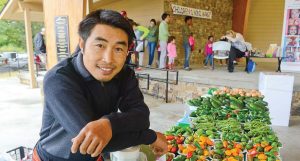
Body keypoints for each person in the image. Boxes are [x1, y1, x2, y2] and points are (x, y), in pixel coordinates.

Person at [33, 9, 167, 161]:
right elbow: (90, 141)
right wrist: (150, 136)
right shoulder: (59, 79)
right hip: (53, 157)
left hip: (96, 157)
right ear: (82, 44)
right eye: (100, 45)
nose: (108, 59)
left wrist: (108, 124)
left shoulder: (124, 73)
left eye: (118, 49)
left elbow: (141, 116)